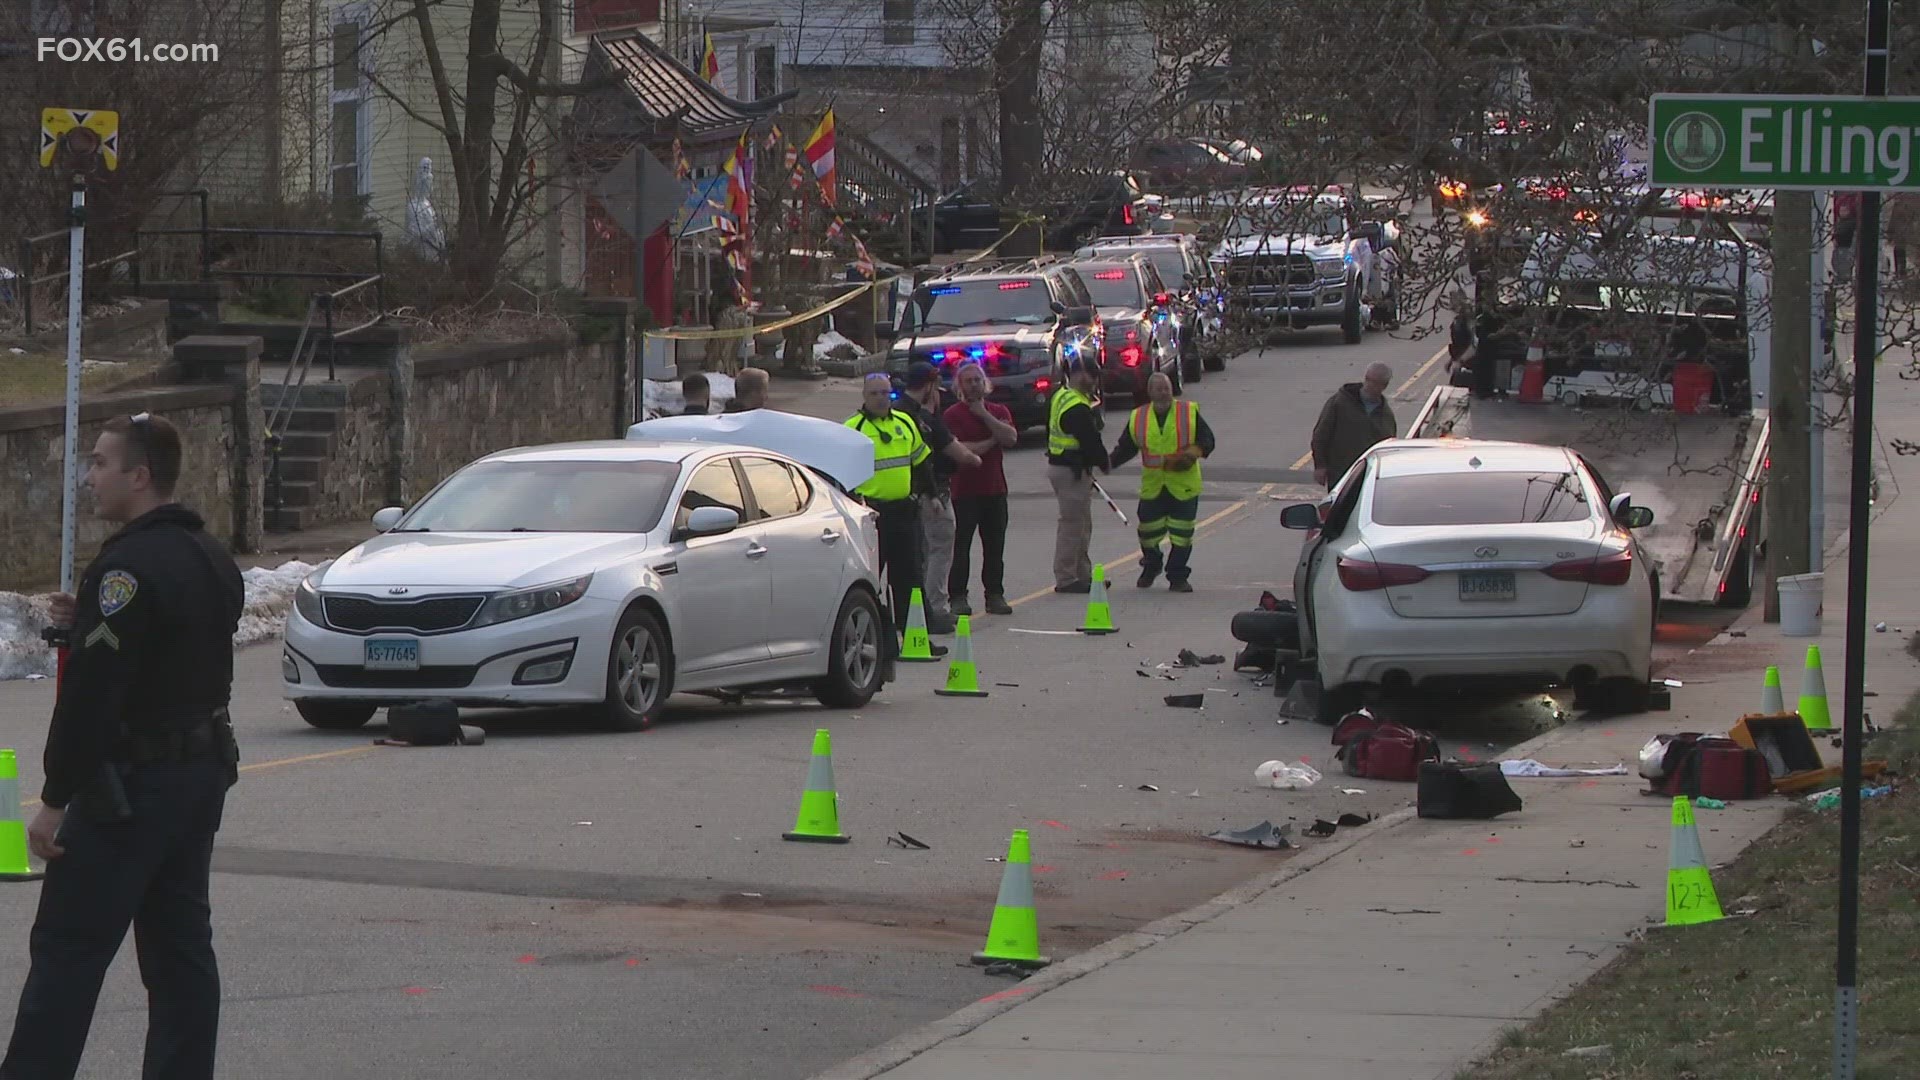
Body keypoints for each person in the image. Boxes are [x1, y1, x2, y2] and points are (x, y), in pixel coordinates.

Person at [2, 413, 243, 1080]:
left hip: (133, 789)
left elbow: (94, 699)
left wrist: (54, 799)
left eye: (102, 464)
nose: (91, 477)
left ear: (140, 476)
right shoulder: (209, 555)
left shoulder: (126, 568)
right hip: (198, 776)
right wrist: (92, 625)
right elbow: (180, 648)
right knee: (179, 950)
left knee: (68, 948)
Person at [845, 375, 945, 656]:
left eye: (885, 393)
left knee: (910, 580)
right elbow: (841, 474)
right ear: (864, 395)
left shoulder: (905, 423)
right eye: (874, 393)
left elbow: (921, 462)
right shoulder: (853, 429)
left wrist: (932, 495)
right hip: (870, 517)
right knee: (870, 582)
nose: (880, 398)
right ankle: (878, 643)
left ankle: (917, 640)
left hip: (903, 513)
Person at [1109, 371, 1216, 592]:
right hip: (1154, 486)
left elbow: (1208, 440)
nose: (1164, 392)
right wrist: (1106, 464)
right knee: (1147, 533)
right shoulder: (1138, 417)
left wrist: (1192, 453)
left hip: (1184, 486)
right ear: (1150, 392)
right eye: (1159, 388)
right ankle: (1152, 564)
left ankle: (1177, 576)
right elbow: (1126, 448)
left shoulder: (1188, 412)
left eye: (1166, 387)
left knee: (1182, 535)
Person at [895, 363, 981, 633]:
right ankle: (936, 608)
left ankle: (913, 611)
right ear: (930, 386)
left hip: (902, 496)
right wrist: (979, 455)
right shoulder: (925, 419)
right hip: (932, 493)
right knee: (940, 550)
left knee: (917, 556)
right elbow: (959, 454)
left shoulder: (897, 412)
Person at [944, 361, 1020, 616]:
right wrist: (991, 439)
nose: (974, 385)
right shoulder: (952, 415)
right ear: (960, 386)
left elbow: (1010, 438)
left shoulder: (998, 410)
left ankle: (995, 595)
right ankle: (957, 597)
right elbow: (963, 450)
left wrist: (985, 415)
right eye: (969, 381)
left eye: (978, 380)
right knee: (961, 547)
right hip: (963, 492)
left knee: (995, 547)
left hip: (995, 490)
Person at [1046, 353, 1110, 593]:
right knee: (1072, 526)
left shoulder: (1061, 396)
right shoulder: (1077, 406)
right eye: (1093, 376)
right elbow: (1090, 441)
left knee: (1082, 524)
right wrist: (1104, 463)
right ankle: (1066, 577)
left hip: (1065, 467)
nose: (1094, 382)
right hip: (1070, 470)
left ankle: (1082, 573)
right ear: (1082, 375)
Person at [1311, 362, 1397, 489]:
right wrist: (1320, 466)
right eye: (1368, 380)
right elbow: (1321, 434)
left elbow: (1388, 444)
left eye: (1376, 383)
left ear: (1384, 386)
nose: (1370, 385)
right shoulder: (1339, 402)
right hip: (1340, 472)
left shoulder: (1386, 414)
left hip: (1369, 475)